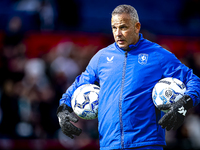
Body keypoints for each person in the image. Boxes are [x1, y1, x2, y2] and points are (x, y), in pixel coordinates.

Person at [56, 4, 200, 150]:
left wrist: (183, 105)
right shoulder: (101, 57)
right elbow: (78, 86)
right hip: (109, 144)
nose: (118, 33)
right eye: (114, 28)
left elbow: (194, 81)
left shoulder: (158, 55)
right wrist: (63, 109)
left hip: (147, 144)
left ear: (137, 27)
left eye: (123, 27)